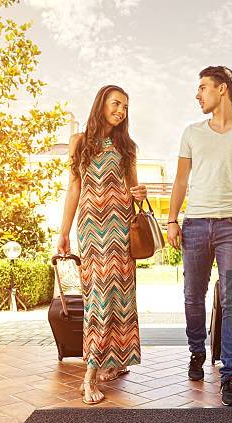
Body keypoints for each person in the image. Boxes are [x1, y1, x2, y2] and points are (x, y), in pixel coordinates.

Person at [167, 66, 232, 406]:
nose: (198, 95)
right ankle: (197, 352)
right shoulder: (191, 132)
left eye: (203, 88)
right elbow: (181, 181)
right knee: (193, 296)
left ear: (222, 89)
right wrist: (171, 220)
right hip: (195, 223)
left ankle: (229, 374)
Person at [57, 85, 147, 405]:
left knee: (119, 296)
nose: (121, 110)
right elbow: (73, 188)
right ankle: (89, 374)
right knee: (98, 297)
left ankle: (113, 361)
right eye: (115, 104)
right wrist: (63, 231)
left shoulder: (127, 146)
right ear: (101, 104)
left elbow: (135, 189)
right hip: (92, 230)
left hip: (121, 229)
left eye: (125, 106)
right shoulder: (79, 142)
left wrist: (140, 193)